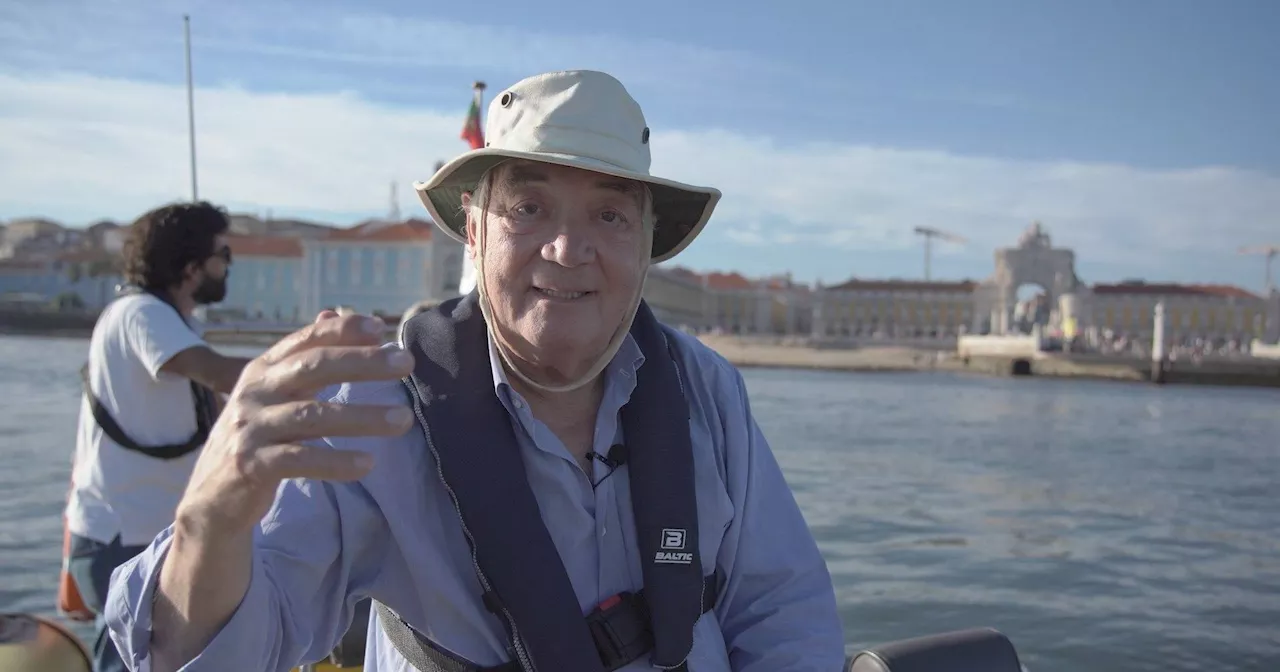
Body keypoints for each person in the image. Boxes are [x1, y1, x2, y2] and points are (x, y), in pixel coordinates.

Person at [104, 70, 845, 672]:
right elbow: (211, 654)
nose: (566, 249)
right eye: (529, 208)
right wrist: (210, 518)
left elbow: (782, 611)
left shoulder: (706, 391)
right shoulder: (371, 403)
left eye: (610, 217)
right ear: (476, 227)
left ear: (647, 242)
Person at [66, 201, 252, 672]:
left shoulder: (174, 323)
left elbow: (219, 417)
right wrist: (313, 363)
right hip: (124, 537)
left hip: (151, 534)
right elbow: (216, 373)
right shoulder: (140, 315)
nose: (226, 264)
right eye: (221, 253)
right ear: (191, 266)